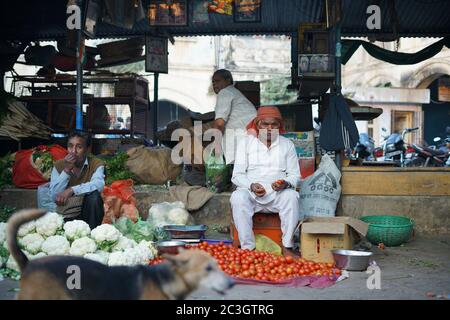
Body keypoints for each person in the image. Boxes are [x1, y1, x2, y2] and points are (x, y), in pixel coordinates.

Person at [230, 106, 302, 256]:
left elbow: (295, 176)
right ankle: (248, 248)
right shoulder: (246, 143)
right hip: (252, 195)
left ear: (279, 126)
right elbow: (237, 175)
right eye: (265, 124)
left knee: (292, 196)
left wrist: (285, 183)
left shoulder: (287, 145)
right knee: (237, 197)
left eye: (274, 124)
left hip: (277, 196)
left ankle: (287, 245)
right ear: (257, 125)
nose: (269, 128)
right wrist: (251, 185)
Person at [49, 131, 105, 228]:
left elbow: (99, 184)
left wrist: (72, 190)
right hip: (67, 213)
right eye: (70, 146)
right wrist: (66, 170)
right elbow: (54, 196)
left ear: (87, 149)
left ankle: (92, 233)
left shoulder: (96, 164)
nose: (73, 151)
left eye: (79, 147)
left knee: (94, 197)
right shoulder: (59, 165)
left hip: (87, 213)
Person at [211, 69, 257, 164]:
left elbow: (219, 123)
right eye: (213, 82)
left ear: (228, 80)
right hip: (250, 140)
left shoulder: (225, 92)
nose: (214, 84)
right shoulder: (234, 93)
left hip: (240, 140)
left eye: (217, 81)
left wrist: (216, 145)